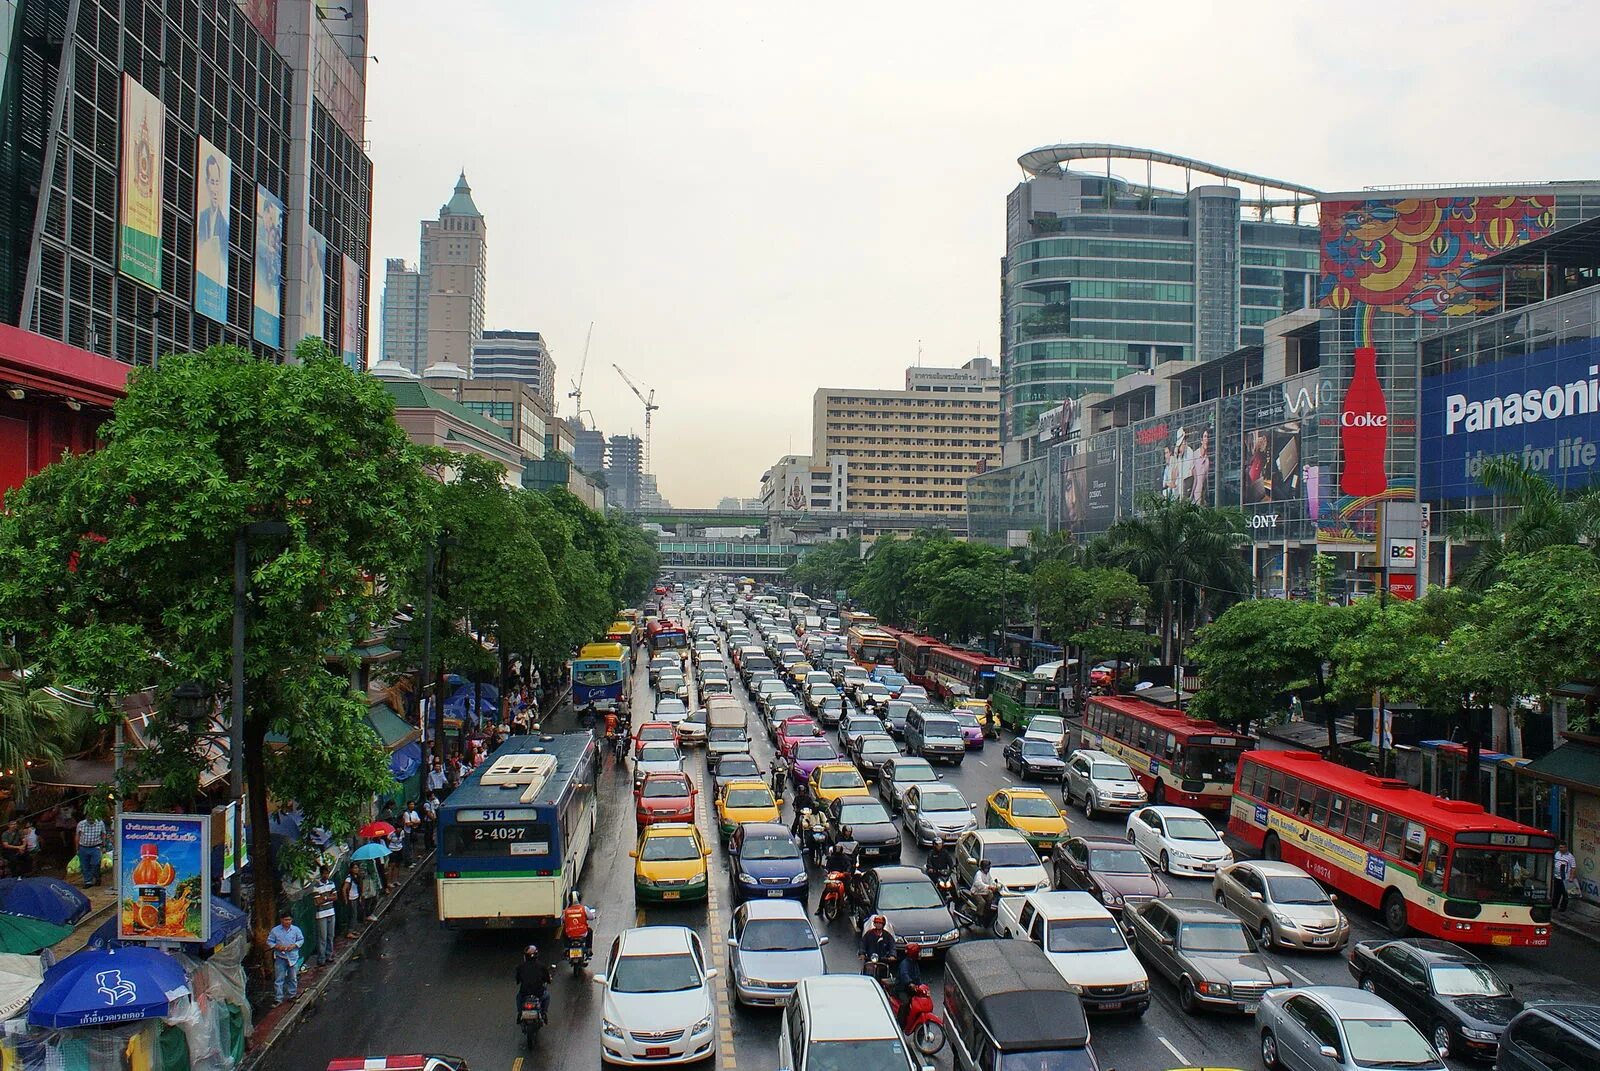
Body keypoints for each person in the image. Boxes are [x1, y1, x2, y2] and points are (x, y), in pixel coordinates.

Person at [268, 912, 304, 1004]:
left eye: (289, 920)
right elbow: (269, 941)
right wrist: (277, 946)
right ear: (281, 920)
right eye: (286, 920)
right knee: (279, 978)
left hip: (292, 957)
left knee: (292, 977)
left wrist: (294, 945)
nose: (288, 922)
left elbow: (301, 940)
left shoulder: (296, 930)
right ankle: (278, 998)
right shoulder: (275, 930)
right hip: (280, 957)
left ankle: (292, 995)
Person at [515, 944, 553, 1019]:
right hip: (539, 993)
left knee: (518, 997)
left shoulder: (520, 967)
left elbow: (518, 980)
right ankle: (544, 1013)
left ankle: (520, 1013)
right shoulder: (542, 966)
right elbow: (547, 980)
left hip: (524, 993)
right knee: (547, 996)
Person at [74, 807, 108, 889]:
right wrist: (77, 848)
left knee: (95, 864)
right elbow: (77, 836)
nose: (91, 819)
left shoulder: (100, 823)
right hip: (83, 847)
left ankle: (97, 876)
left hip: (95, 847)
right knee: (84, 865)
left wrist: (104, 846)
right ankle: (88, 881)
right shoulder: (81, 824)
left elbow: (103, 834)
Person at [311, 865, 337, 966]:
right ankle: (321, 958)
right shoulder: (316, 887)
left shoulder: (331, 883)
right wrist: (328, 897)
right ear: (321, 874)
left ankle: (329, 955)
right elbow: (317, 902)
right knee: (323, 937)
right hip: (321, 914)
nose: (326, 875)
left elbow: (335, 897)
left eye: (327, 873)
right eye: (325, 873)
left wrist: (325, 898)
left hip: (331, 912)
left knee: (331, 935)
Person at [561, 889, 597, 955]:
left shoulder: (566, 911)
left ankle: (566, 948)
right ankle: (589, 949)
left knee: (563, 931)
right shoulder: (584, 909)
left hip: (570, 934)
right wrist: (594, 916)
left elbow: (562, 919)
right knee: (590, 931)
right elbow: (591, 917)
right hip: (583, 933)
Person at [894, 943, 923, 1007]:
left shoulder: (915, 963)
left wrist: (921, 985)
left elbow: (917, 976)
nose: (920, 954)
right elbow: (904, 975)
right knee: (906, 1002)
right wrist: (910, 983)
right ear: (914, 953)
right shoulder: (905, 964)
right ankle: (900, 1017)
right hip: (902, 989)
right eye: (918, 952)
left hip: (912, 989)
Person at [340, 867, 363, 938]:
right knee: (352, 915)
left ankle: (353, 929)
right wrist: (346, 900)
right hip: (351, 898)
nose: (356, 869)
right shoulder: (349, 878)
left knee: (355, 914)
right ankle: (350, 931)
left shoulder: (357, 877)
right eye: (355, 868)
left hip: (356, 897)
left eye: (357, 868)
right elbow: (344, 889)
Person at [1555, 842, 1578, 911]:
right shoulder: (1557, 854)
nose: (1560, 849)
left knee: (1565, 894)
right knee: (1556, 893)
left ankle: (1562, 907)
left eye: (1562, 847)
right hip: (1556, 877)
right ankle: (1554, 905)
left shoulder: (1570, 857)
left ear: (1566, 848)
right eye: (1560, 847)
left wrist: (1571, 877)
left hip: (1565, 878)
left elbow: (1573, 868)